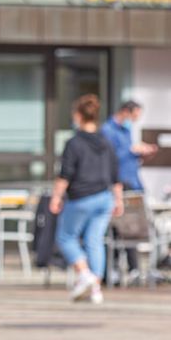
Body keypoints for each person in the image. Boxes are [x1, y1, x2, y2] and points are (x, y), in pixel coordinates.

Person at [48, 95, 123, 304]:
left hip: (81, 197)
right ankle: (96, 289)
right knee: (95, 241)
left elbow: (65, 174)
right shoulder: (106, 143)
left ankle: (85, 274)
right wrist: (119, 200)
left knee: (65, 237)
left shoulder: (74, 143)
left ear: (79, 116)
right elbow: (115, 175)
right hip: (104, 198)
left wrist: (56, 197)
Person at [101, 99, 156, 280]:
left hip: (133, 181)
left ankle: (134, 268)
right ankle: (115, 268)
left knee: (132, 225)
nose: (134, 120)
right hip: (119, 183)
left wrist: (142, 154)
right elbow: (111, 158)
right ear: (125, 111)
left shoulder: (127, 130)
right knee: (118, 225)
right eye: (133, 116)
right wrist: (133, 150)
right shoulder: (108, 131)